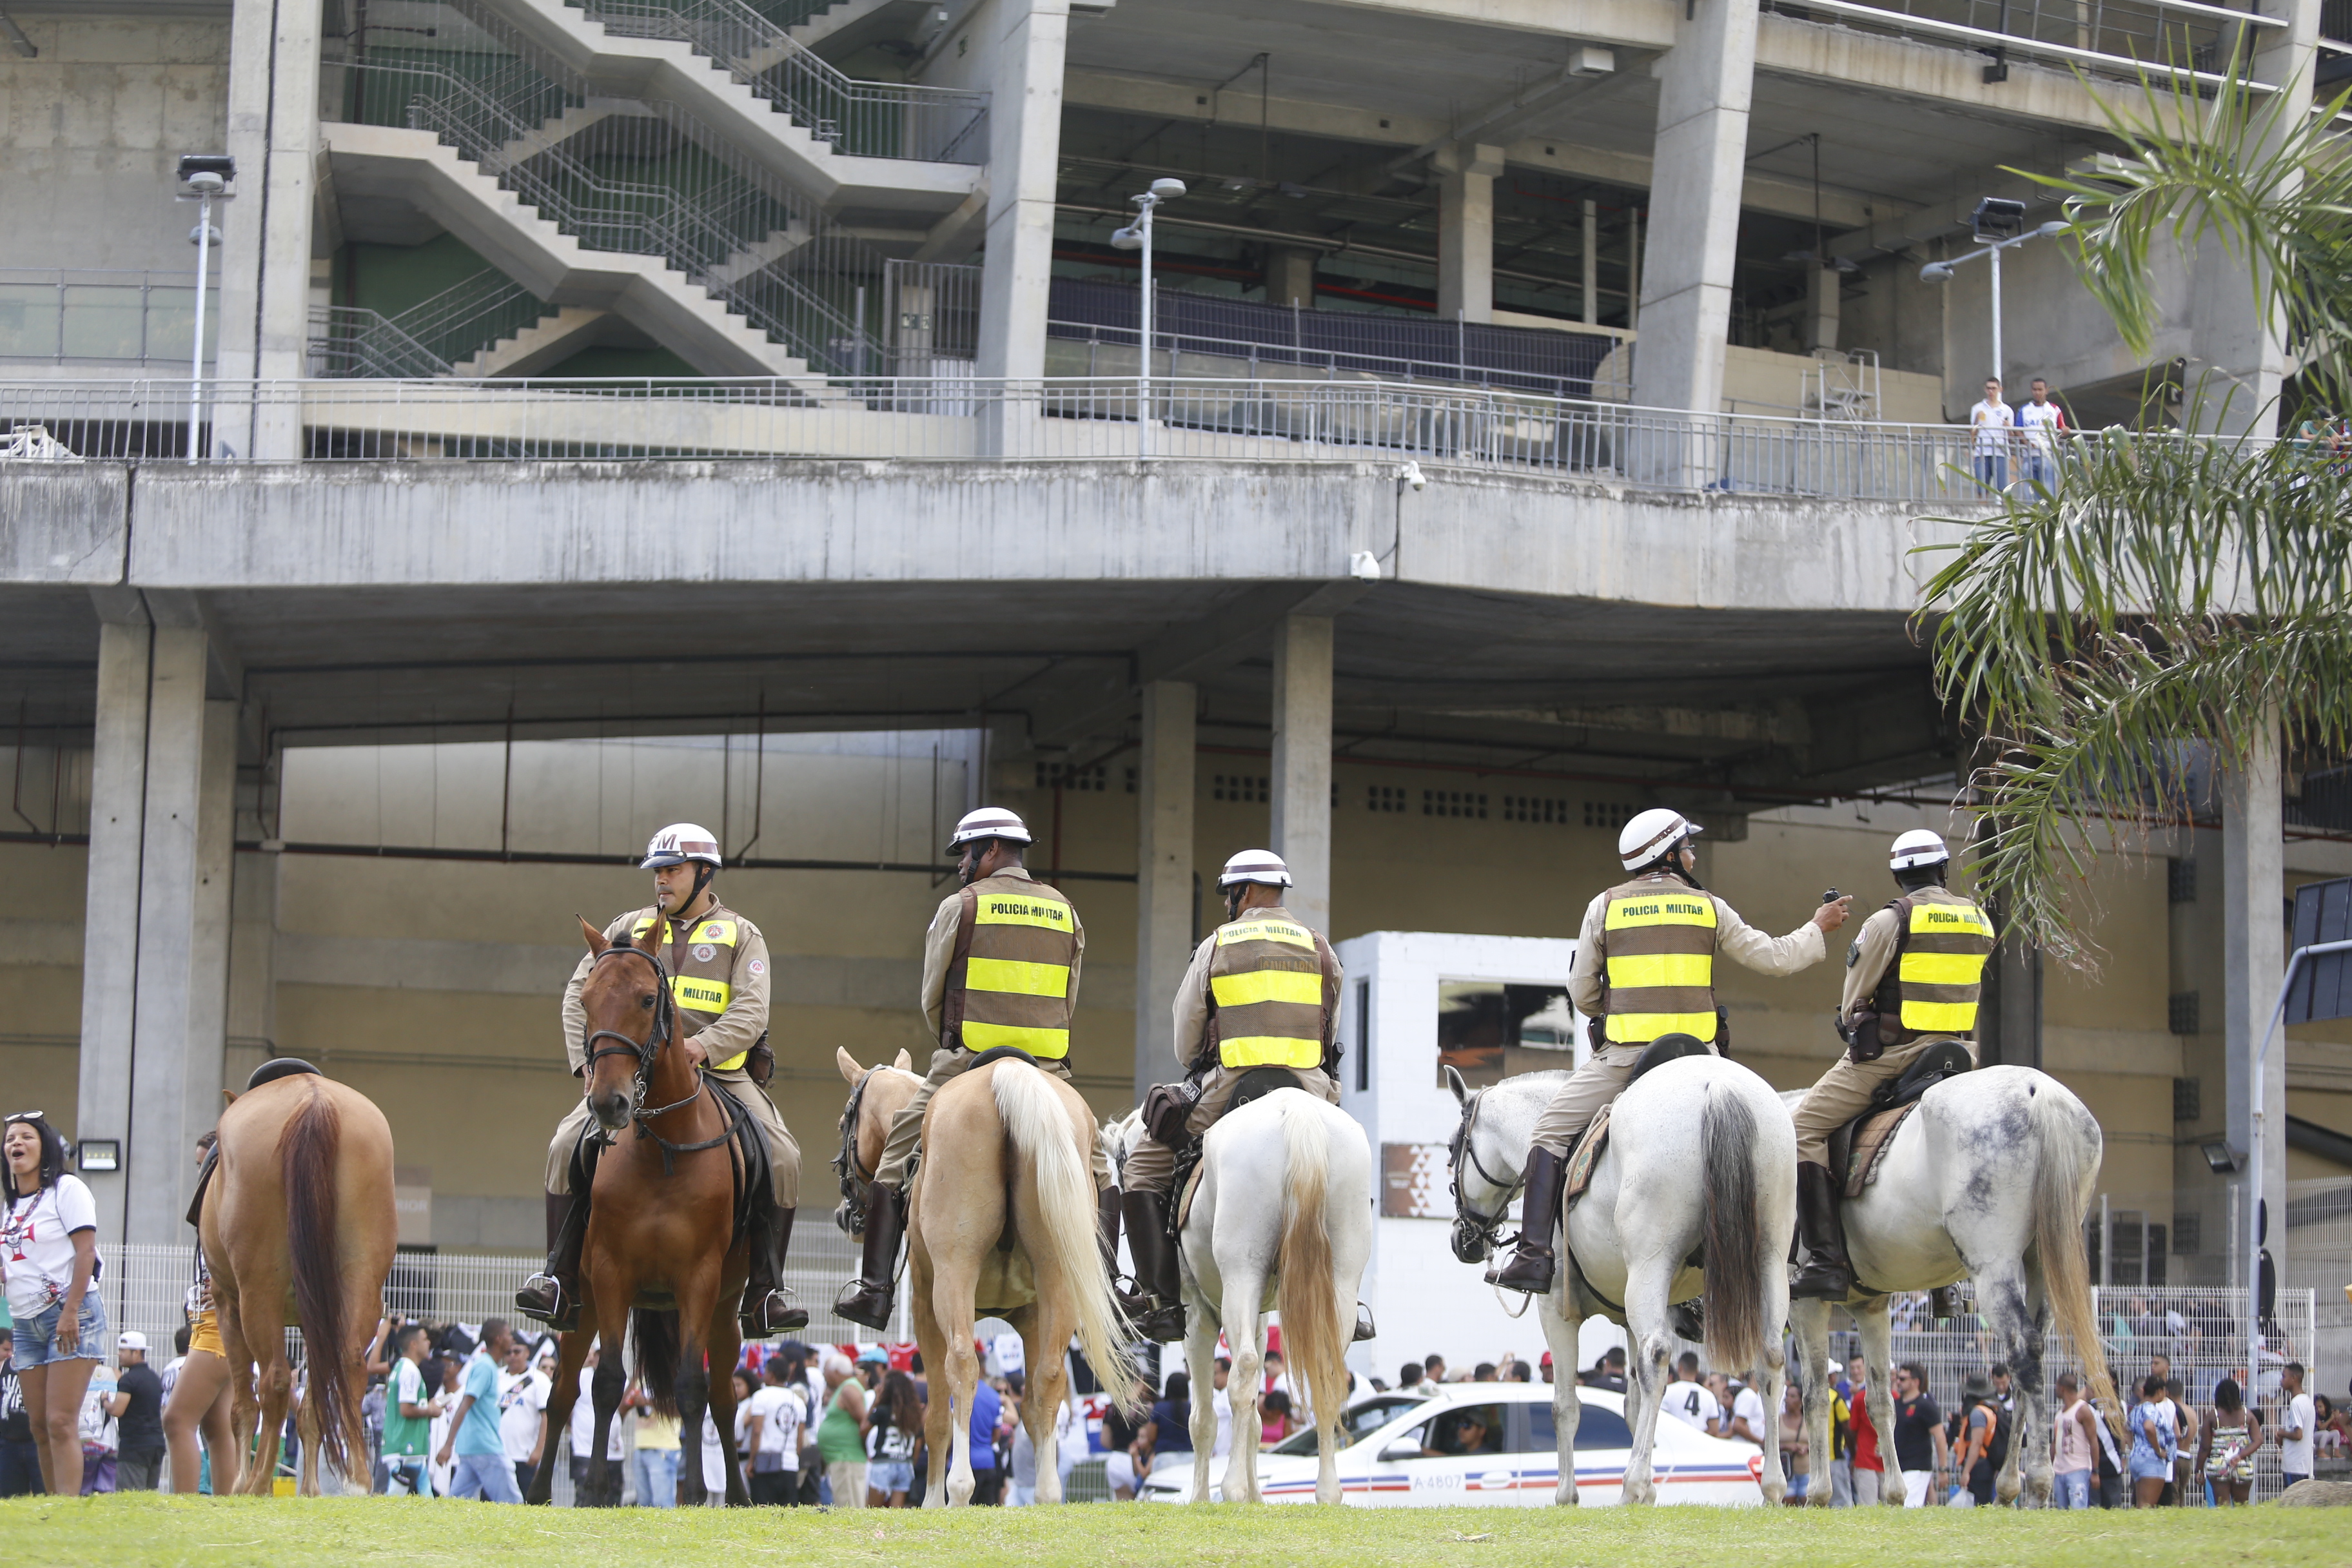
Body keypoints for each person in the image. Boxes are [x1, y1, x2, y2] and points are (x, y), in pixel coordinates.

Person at [1494, 810, 1848, 1298]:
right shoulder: (1709, 906)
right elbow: (1774, 957)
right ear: (1668, 853)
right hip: (1700, 1057)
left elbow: (1581, 994)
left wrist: (1617, 1004)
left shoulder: (1605, 906)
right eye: (1688, 846)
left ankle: (1534, 1255)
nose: (1693, 854)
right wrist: (1817, 927)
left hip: (1626, 1059)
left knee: (1549, 1132)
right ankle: (1792, 1253)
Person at [518, 823, 806, 1338]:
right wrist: (587, 1067)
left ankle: (766, 1291)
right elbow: (576, 997)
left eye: (672, 870)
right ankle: (559, 1276)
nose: (661, 881)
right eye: (657, 872)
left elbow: (752, 1010)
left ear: (703, 873)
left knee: (784, 1156)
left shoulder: (741, 933)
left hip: (719, 1075)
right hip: (636, 1079)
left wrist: (702, 1047)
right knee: (564, 1143)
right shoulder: (627, 927)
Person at [836, 808, 1119, 1329]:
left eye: (965, 854)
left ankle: (874, 1289)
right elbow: (1069, 995)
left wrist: (959, 1041)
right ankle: (1112, 1284)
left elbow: (932, 997)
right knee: (1101, 1167)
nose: (961, 866)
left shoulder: (959, 906)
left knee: (896, 1154)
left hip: (967, 1061)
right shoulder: (1065, 910)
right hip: (1048, 1067)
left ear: (990, 849)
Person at [1121, 850, 1365, 1341]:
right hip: (1310, 1090)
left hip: (1230, 1089)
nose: (1228, 905)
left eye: (1229, 896)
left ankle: (1162, 1301)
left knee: (1141, 1164)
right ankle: (1352, 1304)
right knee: (1346, 1171)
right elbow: (1331, 1029)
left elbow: (1185, 1039)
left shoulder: (1218, 944)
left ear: (1244, 893)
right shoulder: (1322, 949)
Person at [1791, 830, 1994, 1298]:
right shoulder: (1980, 919)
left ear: (1900, 876)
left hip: (1895, 1059)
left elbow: (1852, 1002)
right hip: (1961, 1058)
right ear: (1944, 870)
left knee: (1802, 1128)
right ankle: (1948, 1281)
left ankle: (1826, 1260)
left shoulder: (1888, 921)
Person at [3, 1111, 108, 1496]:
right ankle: (53, 1506)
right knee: (39, 1425)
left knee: (62, 1421)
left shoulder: (67, 1189)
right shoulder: (10, 1207)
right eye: (11, 1138)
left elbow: (86, 1253)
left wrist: (69, 1312)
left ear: (44, 1147)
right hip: (25, 1322)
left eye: (26, 1137)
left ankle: (68, 1511)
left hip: (71, 1313)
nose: (16, 1143)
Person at [166, 1133, 235, 1496]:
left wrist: (229, 1286)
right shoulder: (220, 1204)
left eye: (207, 1164)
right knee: (216, 1425)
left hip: (219, 1327)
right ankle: (228, 1509)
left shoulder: (239, 1203)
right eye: (199, 1165)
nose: (202, 1172)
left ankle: (185, 1508)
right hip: (208, 1324)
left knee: (177, 1420)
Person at [438, 1318, 524, 1503]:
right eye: (509, 1334)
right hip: (485, 1446)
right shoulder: (485, 1367)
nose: (512, 1338)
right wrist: (448, 1445)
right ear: (499, 1339)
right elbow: (464, 1405)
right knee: (513, 1505)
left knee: (456, 1505)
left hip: (472, 1448)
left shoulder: (488, 1365)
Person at [379, 1322, 440, 1496]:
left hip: (410, 1448)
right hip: (405, 1448)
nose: (429, 1343)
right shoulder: (410, 1371)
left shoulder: (400, 1367)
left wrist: (427, 1406)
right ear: (414, 1344)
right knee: (395, 1501)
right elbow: (406, 1409)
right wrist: (430, 1410)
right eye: (425, 1339)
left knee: (426, 1499)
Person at [495, 1333, 551, 1498]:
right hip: (496, 1454)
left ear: (527, 1353)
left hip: (524, 1456)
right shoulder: (496, 1376)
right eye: (508, 1352)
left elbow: (546, 1417)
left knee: (522, 1504)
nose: (512, 1356)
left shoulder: (539, 1380)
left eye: (517, 1352)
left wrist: (539, 1450)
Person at [566, 1341, 625, 1494]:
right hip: (584, 1450)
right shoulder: (580, 1377)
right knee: (585, 1496)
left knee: (613, 1500)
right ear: (594, 1357)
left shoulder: (619, 1378)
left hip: (613, 1452)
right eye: (600, 1354)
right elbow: (566, 1408)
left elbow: (623, 1407)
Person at [110, 1331, 164, 1492]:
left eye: (123, 1350)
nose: (119, 1354)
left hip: (135, 1447)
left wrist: (105, 1402)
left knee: (130, 1496)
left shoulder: (128, 1380)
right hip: (156, 1445)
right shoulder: (154, 1377)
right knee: (149, 1495)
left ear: (136, 1352)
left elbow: (117, 1410)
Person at [1890, 1363, 1948, 1507]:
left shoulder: (1925, 1406)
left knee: (1908, 1507)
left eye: (1903, 1379)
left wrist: (1943, 1469)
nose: (1898, 1382)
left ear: (1916, 1382)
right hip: (1899, 1467)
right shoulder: (1896, 1404)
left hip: (1917, 1467)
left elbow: (1940, 1438)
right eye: (1898, 1378)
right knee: (1896, 1508)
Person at [2197, 1376, 2260, 1505]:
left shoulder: (2213, 1416)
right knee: (2242, 1508)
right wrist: (2241, 1456)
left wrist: (2199, 1470)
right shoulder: (2247, 1415)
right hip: (2242, 1465)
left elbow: (2205, 1448)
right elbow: (2258, 1440)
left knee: (2223, 1507)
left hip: (2218, 1464)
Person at [818, 1350, 868, 1508]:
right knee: (844, 1504)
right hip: (843, 1459)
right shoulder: (845, 1388)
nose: (824, 1375)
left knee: (849, 1507)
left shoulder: (849, 1390)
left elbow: (864, 1422)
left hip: (847, 1459)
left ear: (836, 1372)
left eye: (826, 1370)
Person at [865, 1369, 921, 1507]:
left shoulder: (883, 1410)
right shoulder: (914, 1413)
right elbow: (918, 1442)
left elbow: (863, 1429)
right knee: (895, 1516)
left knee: (872, 1512)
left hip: (883, 1462)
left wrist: (875, 1402)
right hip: (905, 1463)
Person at [1128, 1371, 1190, 1495]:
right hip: (1190, 1457)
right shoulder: (1191, 1408)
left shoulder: (1160, 1408)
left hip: (1165, 1458)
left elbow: (1151, 1436)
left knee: (1163, 1496)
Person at [2126, 1373, 2177, 1507]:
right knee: (2148, 1506)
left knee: (2141, 1504)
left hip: (2137, 1457)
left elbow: (2126, 1429)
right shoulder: (2150, 1408)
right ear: (2159, 1391)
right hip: (2151, 1460)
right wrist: (2158, 1450)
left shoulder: (2137, 1408)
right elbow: (2149, 1427)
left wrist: (2134, 1447)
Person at [1948, 1372, 1999, 1507]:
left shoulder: (1978, 1413)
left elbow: (1976, 1444)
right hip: (1985, 1466)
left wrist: (1967, 1472)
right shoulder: (1989, 1409)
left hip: (1979, 1467)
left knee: (1979, 1506)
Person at [2051, 1371, 2098, 1509]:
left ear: (2062, 1388)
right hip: (2060, 1470)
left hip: (2078, 1468)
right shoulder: (2059, 1413)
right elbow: (2055, 1441)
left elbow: (2093, 1440)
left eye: (2057, 1387)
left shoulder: (2082, 1410)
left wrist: (2096, 1471)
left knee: (2078, 1510)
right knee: (2062, 1511)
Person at [632, 1389, 681, 1508]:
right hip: (640, 1445)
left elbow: (680, 1409)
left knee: (663, 1504)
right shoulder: (640, 1378)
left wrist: (648, 1402)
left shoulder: (673, 1377)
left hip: (663, 1447)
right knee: (643, 1504)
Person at [0, 1335, 36, 1497]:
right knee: (10, 1496)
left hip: (36, 1441)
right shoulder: (5, 1365)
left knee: (43, 1494)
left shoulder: (42, 1366)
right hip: (8, 1442)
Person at [2016, 377, 2066, 488]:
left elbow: (2062, 427)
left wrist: (2065, 430)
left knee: (2049, 491)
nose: (2037, 393)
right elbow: (2018, 430)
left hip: (2048, 455)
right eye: (2035, 390)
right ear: (2031, 391)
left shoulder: (2054, 409)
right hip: (2029, 455)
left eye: (2040, 390)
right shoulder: (2024, 410)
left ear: (2046, 391)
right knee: (2030, 491)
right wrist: (2026, 443)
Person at [965, 1367, 1005, 1505]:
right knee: (986, 1514)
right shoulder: (993, 1396)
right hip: (987, 1461)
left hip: (962, 1463)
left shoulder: (957, 1395)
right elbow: (997, 1434)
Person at [1970, 377, 2014, 491]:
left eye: (1994, 389)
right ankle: (1981, 508)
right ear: (1985, 389)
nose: (1991, 391)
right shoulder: (1977, 408)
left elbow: (2012, 437)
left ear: (2000, 389)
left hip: (2001, 452)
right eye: (1989, 388)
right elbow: (1972, 433)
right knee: (1982, 488)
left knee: (2003, 488)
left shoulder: (2007, 409)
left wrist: (2009, 428)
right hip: (1982, 451)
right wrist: (1976, 420)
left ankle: (2005, 509)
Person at [1660, 1355, 1721, 1436]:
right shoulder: (1709, 1395)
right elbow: (1714, 1430)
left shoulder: (1667, 1391)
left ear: (1680, 1368)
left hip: (1674, 1444)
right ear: (1697, 1370)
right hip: (1699, 1446)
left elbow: (1660, 1424)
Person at [2277, 1360, 2313, 1493]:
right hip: (2302, 1464)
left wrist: (2282, 1433)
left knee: (2293, 1502)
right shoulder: (2307, 1401)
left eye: (2284, 1376)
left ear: (2294, 1379)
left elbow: (2298, 1434)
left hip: (2294, 1465)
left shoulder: (2296, 1403)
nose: (2281, 1380)